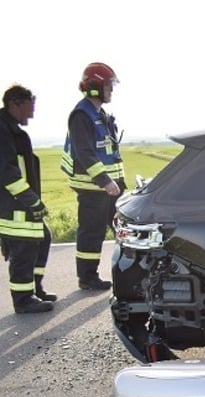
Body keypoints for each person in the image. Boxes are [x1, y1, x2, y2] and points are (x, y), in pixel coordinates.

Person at [61, 62, 125, 291]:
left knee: (120, 228)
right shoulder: (81, 115)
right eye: (108, 85)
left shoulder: (99, 113)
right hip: (92, 187)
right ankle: (87, 277)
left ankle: (127, 274)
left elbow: (108, 151)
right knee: (92, 232)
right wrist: (105, 181)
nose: (111, 90)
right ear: (95, 86)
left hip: (109, 186)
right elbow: (84, 152)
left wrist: (118, 181)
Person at [1, 85, 56, 314]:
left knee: (43, 237)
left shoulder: (11, 129)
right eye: (29, 107)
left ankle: (34, 288)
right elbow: (7, 172)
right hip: (13, 204)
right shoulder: (2, 130)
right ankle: (23, 300)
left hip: (21, 202)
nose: (32, 113)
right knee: (23, 249)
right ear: (14, 103)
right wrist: (32, 200)